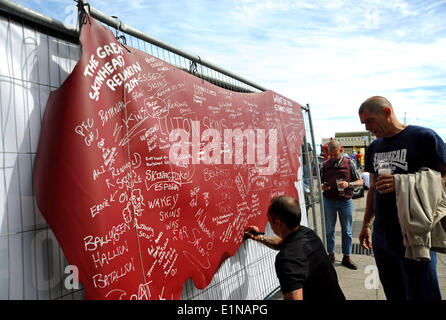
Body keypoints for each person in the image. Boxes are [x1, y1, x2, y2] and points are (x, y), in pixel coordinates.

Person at [358, 95, 446, 300]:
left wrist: (404, 182)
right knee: (393, 292)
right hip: (382, 233)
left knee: (422, 293)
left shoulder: (423, 137)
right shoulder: (374, 147)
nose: (367, 128)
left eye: (369, 121)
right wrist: (366, 224)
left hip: (414, 231)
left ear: (387, 112)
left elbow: (443, 175)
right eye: (363, 124)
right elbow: (372, 188)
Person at [246, 196, 345, 300]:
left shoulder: (286, 260)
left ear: (278, 223)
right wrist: (259, 238)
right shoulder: (307, 234)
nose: (268, 222)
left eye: (269, 219)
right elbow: (281, 243)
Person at [320, 140, 363, 270]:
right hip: (329, 201)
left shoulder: (349, 163)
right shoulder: (325, 165)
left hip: (346, 201)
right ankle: (330, 255)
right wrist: (323, 186)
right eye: (331, 154)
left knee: (347, 231)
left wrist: (348, 184)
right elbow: (321, 183)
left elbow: (360, 181)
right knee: (329, 230)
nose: (333, 157)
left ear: (341, 150)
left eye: (335, 154)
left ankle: (347, 257)